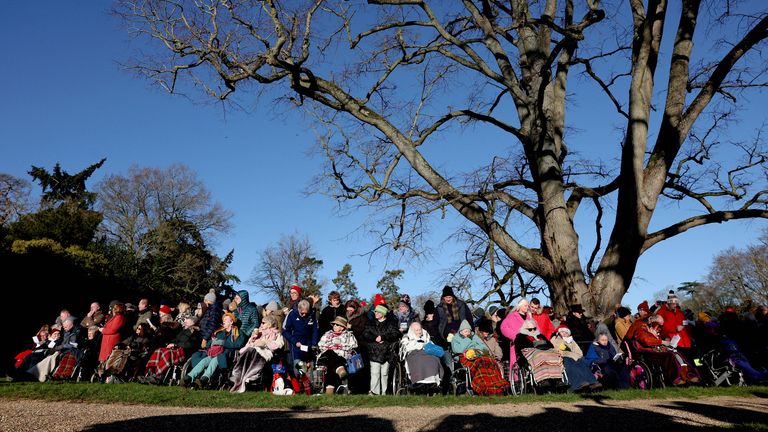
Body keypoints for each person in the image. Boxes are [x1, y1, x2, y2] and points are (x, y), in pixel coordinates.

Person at [634, 314, 700, 386]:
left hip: (656, 347)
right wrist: (662, 342)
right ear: (652, 321)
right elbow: (646, 340)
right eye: (659, 324)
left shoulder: (656, 327)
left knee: (677, 353)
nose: (660, 327)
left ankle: (688, 374)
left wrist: (667, 339)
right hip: (647, 350)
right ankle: (676, 377)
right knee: (670, 355)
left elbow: (664, 333)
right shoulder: (641, 326)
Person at [183, 312, 244, 389]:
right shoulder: (219, 332)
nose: (223, 321)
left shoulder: (238, 333)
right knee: (204, 361)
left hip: (226, 354)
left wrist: (223, 343)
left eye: (225, 319)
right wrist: (212, 342)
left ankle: (204, 378)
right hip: (214, 353)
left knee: (215, 360)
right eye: (223, 320)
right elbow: (208, 345)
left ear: (231, 322)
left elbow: (239, 344)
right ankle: (189, 377)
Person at [451, 320, 508, 395]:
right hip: (465, 357)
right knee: (480, 363)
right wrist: (468, 340)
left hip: (478, 355)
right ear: (461, 331)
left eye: (469, 331)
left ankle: (494, 383)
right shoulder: (456, 339)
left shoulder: (474, 336)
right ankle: (481, 384)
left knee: (490, 361)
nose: (468, 333)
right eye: (465, 331)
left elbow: (484, 348)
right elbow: (458, 350)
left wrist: (478, 350)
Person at [230, 316, 285, 393]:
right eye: (261, 322)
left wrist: (265, 342)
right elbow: (245, 348)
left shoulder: (276, 334)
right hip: (252, 351)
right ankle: (239, 377)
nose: (261, 324)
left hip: (264, 354)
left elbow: (277, 346)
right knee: (249, 351)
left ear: (269, 324)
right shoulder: (258, 333)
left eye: (263, 323)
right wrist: (251, 340)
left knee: (253, 351)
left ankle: (248, 377)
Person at [550, 325, 601, 392]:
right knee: (570, 362)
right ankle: (577, 384)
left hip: (574, 357)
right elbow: (560, 350)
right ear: (558, 332)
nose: (565, 334)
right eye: (563, 332)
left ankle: (592, 381)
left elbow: (579, 352)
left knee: (581, 362)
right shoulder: (555, 339)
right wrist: (571, 352)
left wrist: (574, 354)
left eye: (566, 332)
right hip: (562, 357)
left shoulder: (571, 340)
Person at [363, 305, 400, 395]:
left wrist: (384, 337)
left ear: (383, 313)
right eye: (375, 312)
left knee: (384, 373)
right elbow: (365, 334)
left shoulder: (391, 324)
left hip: (387, 352)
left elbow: (396, 334)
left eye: (378, 312)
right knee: (375, 373)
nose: (375, 313)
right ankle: (375, 392)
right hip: (374, 351)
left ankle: (384, 392)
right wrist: (375, 338)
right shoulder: (371, 323)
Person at [317, 316, 358, 393]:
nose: (335, 326)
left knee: (330, 365)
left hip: (341, 356)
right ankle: (340, 369)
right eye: (334, 324)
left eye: (337, 325)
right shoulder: (328, 334)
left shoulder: (348, 335)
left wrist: (337, 347)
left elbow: (353, 346)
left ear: (342, 327)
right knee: (330, 352)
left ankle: (329, 388)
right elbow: (320, 344)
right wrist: (334, 347)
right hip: (326, 356)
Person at [282, 299, 319, 376]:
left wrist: (314, 343)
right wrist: (295, 342)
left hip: (309, 348)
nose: (304, 315)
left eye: (306, 313)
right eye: (302, 313)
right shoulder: (292, 314)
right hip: (297, 347)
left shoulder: (312, 315)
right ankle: (299, 383)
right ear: (298, 309)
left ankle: (308, 386)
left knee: (310, 373)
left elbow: (315, 331)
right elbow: (285, 331)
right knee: (299, 371)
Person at [401, 322, 444, 387]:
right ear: (412, 331)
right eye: (417, 330)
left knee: (434, 359)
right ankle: (420, 380)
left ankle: (433, 379)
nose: (419, 332)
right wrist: (420, 346)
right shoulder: (407, 337)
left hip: (426, 353)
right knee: (419, 360)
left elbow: (431, 345)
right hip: (414, 353)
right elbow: (406, 348)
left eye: (420, 329)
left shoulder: (425, 335)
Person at [500, 298, 533, 366]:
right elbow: (503, 327)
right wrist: (514, 335)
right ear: (519, 306)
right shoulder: (512, 316)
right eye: (525, 306)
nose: (527, 307)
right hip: (517, 345)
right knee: (518, 365)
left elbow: (536, 328)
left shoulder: (529, 317)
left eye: (528, 306)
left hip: (529, 343)